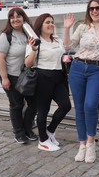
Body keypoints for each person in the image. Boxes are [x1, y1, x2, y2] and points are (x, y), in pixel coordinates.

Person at [63, 0, 99, 163]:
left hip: (97, 70)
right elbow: (68, 47)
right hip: (78, 68)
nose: (94, 11)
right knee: (79, 109)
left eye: (98, 8)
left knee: (90, 106)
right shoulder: (83, 27)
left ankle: (91, 144)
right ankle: (82, 145)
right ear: (88, 10)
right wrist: (66, 29)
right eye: (92, 8)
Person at [25, 13, 71, 152]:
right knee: (43, 110)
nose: (51, 24)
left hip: (58, 76)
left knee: (66, 105)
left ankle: (50, 131)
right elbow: (28, 63)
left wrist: (67, 28)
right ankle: (43, 140)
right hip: (43, 77)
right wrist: (33, 49)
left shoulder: (56, 39)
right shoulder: (35, 41)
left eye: (52, 22)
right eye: (47, 22)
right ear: (40, 25)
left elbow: (67, 48)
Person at [0, 8, 39, 144]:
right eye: (12, 17)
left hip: (28, 76)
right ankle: (19, 133)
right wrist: (5, 78)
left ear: (23, 18)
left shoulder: (29, 33)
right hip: (12, 76)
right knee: (16, 105)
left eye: (18, 16)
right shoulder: (6, 36)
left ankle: (28, 129)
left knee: (34, 104)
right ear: (9, 20)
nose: (15, 19)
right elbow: (0, 58)